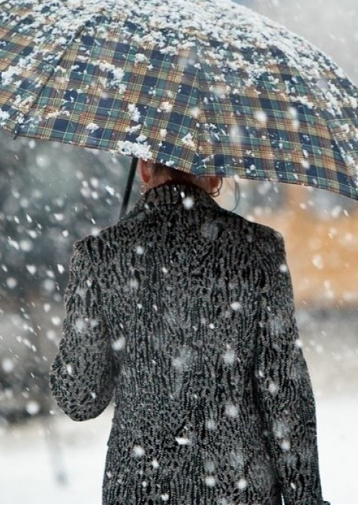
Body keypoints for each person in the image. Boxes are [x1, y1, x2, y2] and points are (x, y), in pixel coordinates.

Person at [50, 161, 326, 504]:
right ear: (215, 176)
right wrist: (306, 499)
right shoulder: (259, 250)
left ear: (145, 170)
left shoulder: (99, 255)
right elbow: (283, 390)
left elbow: (80, 399)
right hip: (239, 488)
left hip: (140, 488)